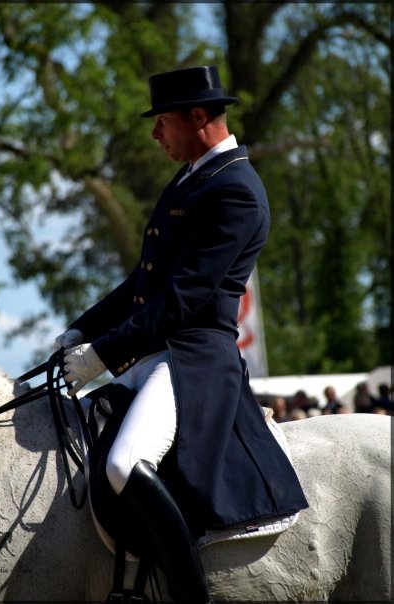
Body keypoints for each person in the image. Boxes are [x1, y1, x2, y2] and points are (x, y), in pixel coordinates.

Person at [54, 66, 308, 603]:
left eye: (161, 121)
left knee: (125, 465)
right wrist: (84, 326)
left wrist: (104, 353)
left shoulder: (236, 188)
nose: (155, 133)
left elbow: (185, 296)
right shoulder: (196, 175)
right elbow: (144, 281)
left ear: (198, 117)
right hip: (157, 353)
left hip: (194, 360)